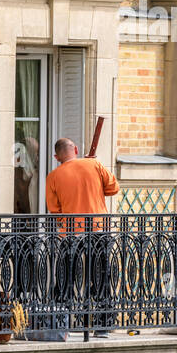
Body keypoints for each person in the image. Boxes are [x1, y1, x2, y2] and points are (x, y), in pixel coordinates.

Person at [44, 138, 119, 336]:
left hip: (72, 232)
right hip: (99, 230)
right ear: (76, 150)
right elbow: (113, 188)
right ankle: (103, 325)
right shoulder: (93, 164)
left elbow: (55, 211)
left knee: (66, 276)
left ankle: (62, 323)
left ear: (56, 157)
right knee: (101, 276)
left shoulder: (53, 176)